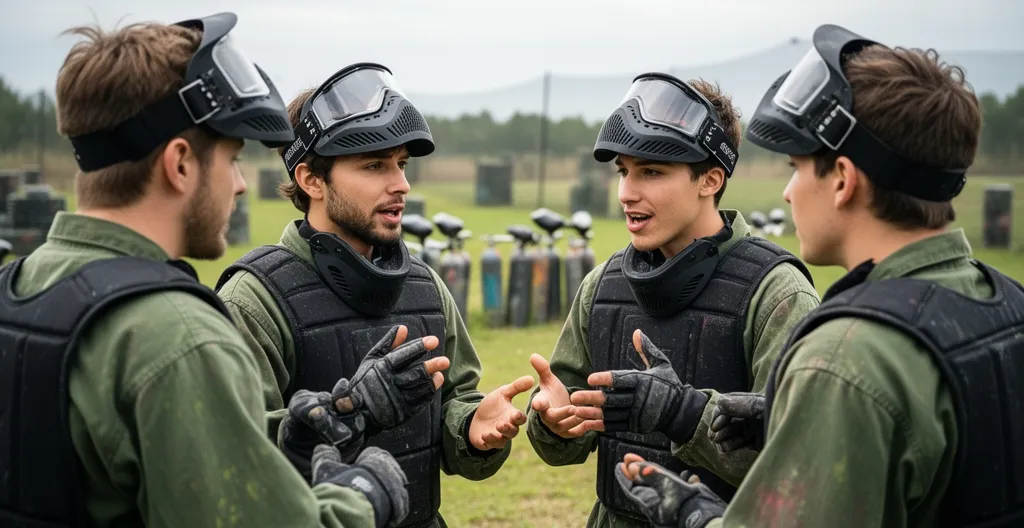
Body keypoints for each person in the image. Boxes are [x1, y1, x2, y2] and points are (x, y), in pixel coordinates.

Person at [0, 13, 417, 528]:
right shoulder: (177, 337)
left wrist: (301, 427)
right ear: (179, 164)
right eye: (232, 157)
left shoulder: (16, 291)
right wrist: (361, 499)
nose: (239, 184)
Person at [614, 23, 1024, 528]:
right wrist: (790, 423)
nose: (788, 191)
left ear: (844, 181)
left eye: (797, 166)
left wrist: (696, 514)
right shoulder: (1008, 303)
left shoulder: (847, 358)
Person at [215, 62, 536, 528]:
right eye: (374, 165)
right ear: (311, 180)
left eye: (401, 164)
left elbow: (452, 408)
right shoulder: (254, 300)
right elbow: (234, 455)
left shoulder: (426, 287)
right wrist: (346, 413)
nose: (401, 184)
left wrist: (471, 427)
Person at [524, 72, 820, 526]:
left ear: (710, 178)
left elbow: (799, 465)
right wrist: (552, 423)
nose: (626, 193)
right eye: (624, 171)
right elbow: (562, 444)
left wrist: (683, 414)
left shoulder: (777, 293)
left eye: (652, 171)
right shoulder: (603, 286)